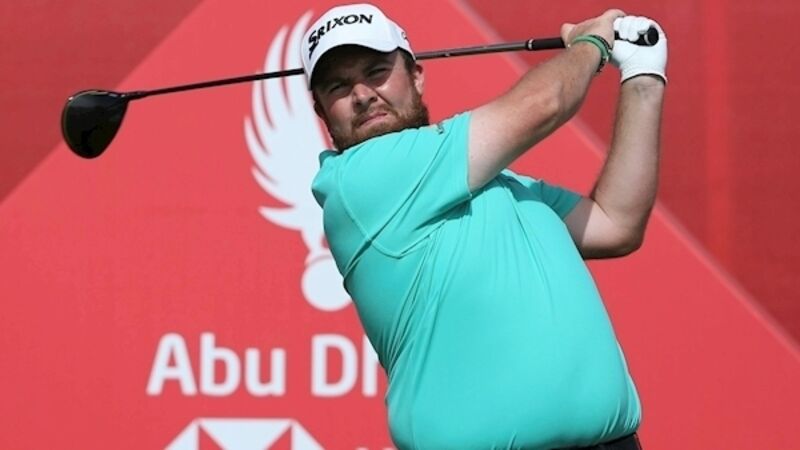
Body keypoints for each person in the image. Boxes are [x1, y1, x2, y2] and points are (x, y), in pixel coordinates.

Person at [303, 3, 666, 449]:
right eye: (338, 86)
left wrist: (643, 77)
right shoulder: (359, 181)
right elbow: (543, 104)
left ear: (416, 76)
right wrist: (592, 43)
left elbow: (615, 224)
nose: (362, 94)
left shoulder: (498, 183)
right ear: (322, 112)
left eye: (376, 72)